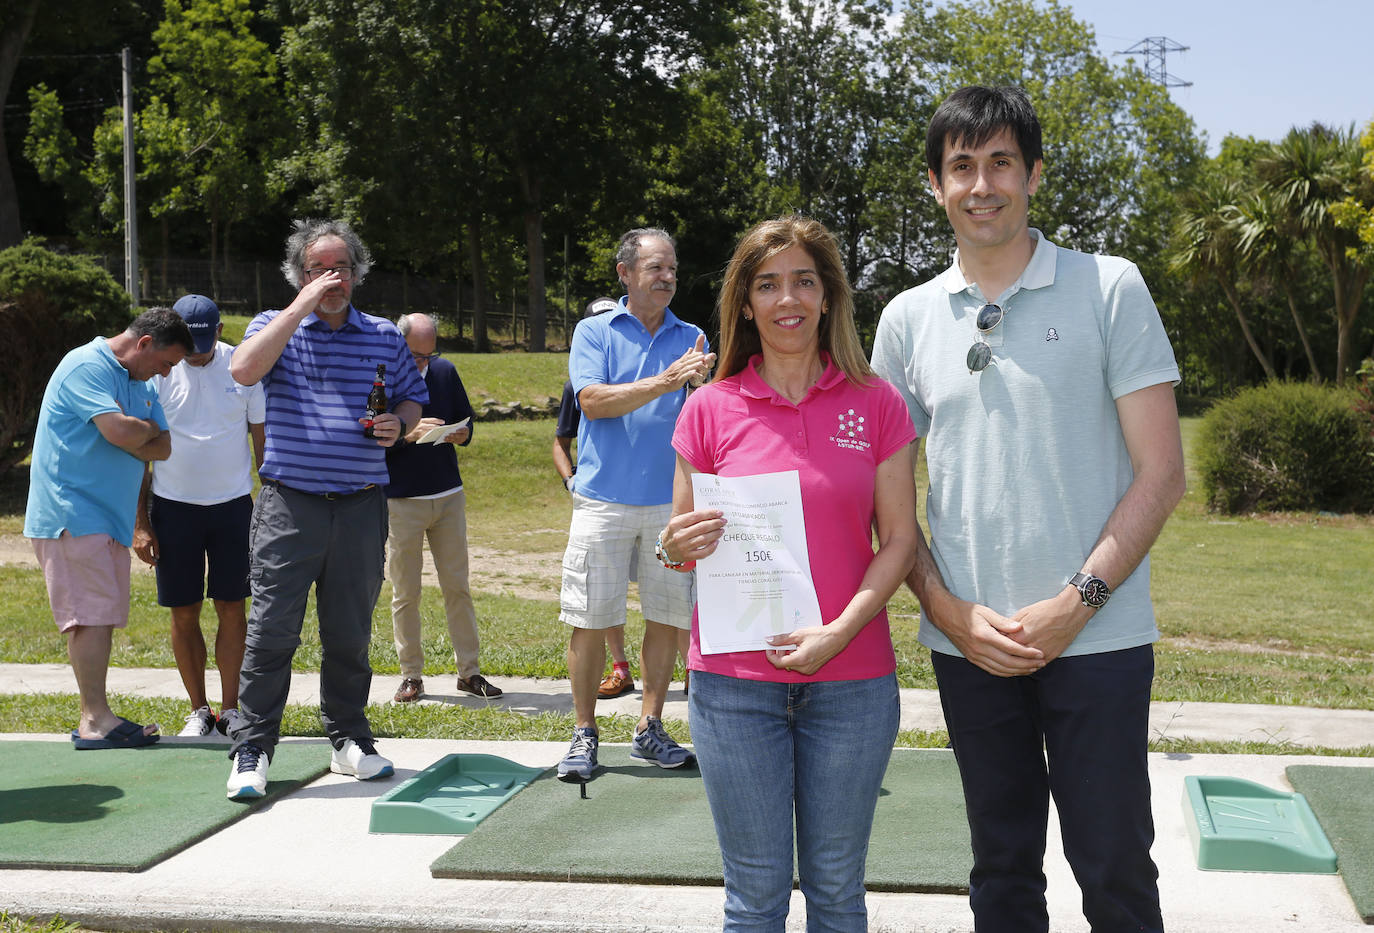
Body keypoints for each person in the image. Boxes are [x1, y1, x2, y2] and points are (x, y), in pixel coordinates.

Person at [870, 86, 1185, 933]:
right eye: (961, 166)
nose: (983, 184)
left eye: (1001, 162)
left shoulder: (1109, 286)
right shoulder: (905, 320)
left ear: (1035, 174)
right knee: (1002, 871)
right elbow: (889, 504)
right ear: (934, 184)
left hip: (1099, 638)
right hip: (970, 642)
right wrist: (949, 613)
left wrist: (1075, 602)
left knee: (1115, 867)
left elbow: (1161, 475)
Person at [658, 215, 918, 930]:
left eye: (804, 280)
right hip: (734, 687)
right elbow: (681, 542)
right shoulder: (707, 409)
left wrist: (837, 632)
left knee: (837, 891)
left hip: (854, 682)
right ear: (744, 304)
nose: (787, 299)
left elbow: (899, 540)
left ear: (828, 295)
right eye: (767, 285)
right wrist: (675, 543)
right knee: (755, 897)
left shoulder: (877, 402)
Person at [223, 219, 428, 801]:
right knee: (271, 631)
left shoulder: (384, 335)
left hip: (362, 504)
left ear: (359, 274)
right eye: (319, 269)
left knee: (348, 632)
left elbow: (414, 397)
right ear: (299, 275)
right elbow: (242, 369)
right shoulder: (273, 325)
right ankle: (252, 749)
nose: (332, 279)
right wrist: (301, 305)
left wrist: (401, 424)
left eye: (341, 269)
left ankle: (348, 740)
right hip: (291, 503)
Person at [555, 227, 714, 782]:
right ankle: (584, 732)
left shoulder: (692, 335)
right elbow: (593, 403)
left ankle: (650, 728)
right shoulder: (594, 331)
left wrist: (701, 386)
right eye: (655, 268)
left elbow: (705, 413)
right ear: (625, 274)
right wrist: (667, 380)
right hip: (600, 502)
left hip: (672, 506)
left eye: (672, 268)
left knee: (668, 620)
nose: (668, 277)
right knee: (590, 619)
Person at [24, 308, 193, 749]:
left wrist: (136, 431)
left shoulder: (141, 382)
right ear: (143, 344)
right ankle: (95, 720)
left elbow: (165, 446)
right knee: (89, 618)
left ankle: (96, 715)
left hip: (107, 517)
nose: (166, 372)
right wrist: (137, 431)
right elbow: (119, 432)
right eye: (166, 363)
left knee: (100, 617)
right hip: (72, 514)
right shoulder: (85, 366)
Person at [133, 295, 265, 738]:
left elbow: (261, 442)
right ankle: (199, 709)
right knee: (183, 612)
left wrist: (266, 505)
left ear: (220, 329)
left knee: (232, 607)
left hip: (233, 508)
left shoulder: (243, 367)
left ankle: (230, 709)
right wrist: (141, 523)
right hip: (172, 509)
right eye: (189, 346)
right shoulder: (158, 373)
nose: (197, 353)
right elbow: (139, 456)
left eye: (204, 343)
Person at [386, 312, 501, 703]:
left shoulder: (445, 371)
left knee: (458, 588)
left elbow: (466, 425)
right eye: (416, 355)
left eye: (429, 354)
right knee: (406, 592)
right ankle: (411, 676)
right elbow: (369, 436)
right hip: (401, 501)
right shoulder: (381, 378)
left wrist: (462, 433)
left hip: (448, 496)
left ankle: (469, 673)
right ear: (399, 345)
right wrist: (409, 433)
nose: (423, 363)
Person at [552, 295, 637, 699]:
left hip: (654, 499)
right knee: (602, 599)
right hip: (603, 501)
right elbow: (560, 442)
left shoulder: (644, 369)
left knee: (677, 597)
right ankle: (620, 668)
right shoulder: (578, 382)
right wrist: (570, 480)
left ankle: (692, 671)